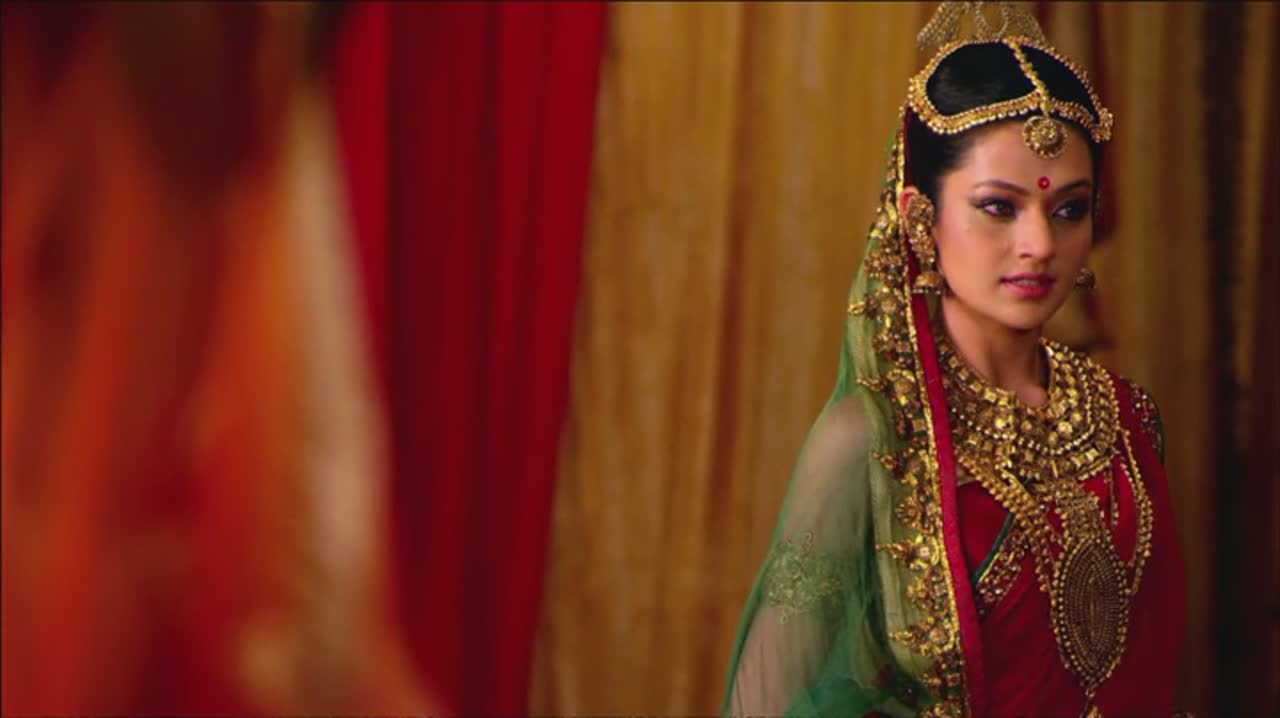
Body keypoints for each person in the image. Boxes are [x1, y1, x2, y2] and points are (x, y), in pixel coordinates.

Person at [719, 3, 1187, 716]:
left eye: (1069, 209)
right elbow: (762, 699)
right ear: (920, 219)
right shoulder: (871, 441)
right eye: (999, 207)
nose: (1039, 245)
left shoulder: (1126, 420)